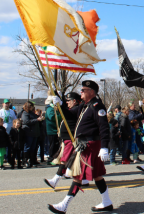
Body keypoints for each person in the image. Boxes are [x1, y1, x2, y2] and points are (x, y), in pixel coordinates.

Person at [49, 80, 113, 212]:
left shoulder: (97, 106)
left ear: (91, 92)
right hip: (85, 144)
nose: (81, 92)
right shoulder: (85, 105)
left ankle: (64, 205)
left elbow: (104, 127)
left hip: (90, 145)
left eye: (83, 90)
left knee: (77, 176)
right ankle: (106, 202)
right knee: (96, 175)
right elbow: (69, 115)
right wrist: (60, 103)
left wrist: (105, 147)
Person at [45, 92, 89, 189]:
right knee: (74, 160)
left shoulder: (78, 108)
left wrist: (60, 103)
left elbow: (67, 112)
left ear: (74, 101)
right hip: (66, 138)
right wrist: (56, 94)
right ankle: (84, 179)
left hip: (71, 139)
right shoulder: (71, 108)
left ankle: (55, 180)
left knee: (64, 160)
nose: (67, 102)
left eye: (68, 100)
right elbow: (64, 107)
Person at [21, 101, 44, 168]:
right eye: (30, 106)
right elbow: (26, 121)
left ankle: (32, 161)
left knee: (33, 148)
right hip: (28, 132)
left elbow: (36, 118)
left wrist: (40, 118)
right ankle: (25, 161)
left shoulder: (32, 113)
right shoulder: (25, 113)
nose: (32, 108)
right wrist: (37, 120)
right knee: (27, 147)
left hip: (35, 133)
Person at [46, 94, 61, 165]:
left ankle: (55, 158)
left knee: (56, 145)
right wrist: (61, 116)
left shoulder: (55, 108)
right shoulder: (50, 109)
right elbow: (52, 117)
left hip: (56, 130)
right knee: (53, 145)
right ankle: (51, 158)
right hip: (52, 130)